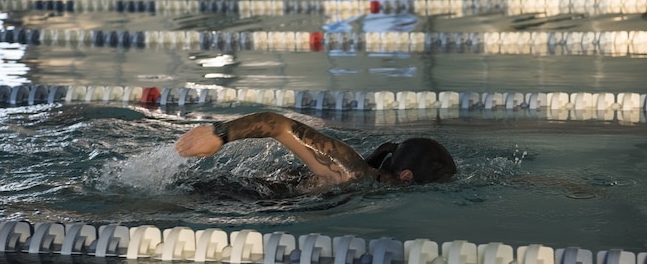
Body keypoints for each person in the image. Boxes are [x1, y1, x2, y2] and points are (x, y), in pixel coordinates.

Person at [175, 112, 457, 185]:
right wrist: (220, 134)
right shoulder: (353, 172)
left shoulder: (364, 178)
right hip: (227, 196)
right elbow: (278, 125)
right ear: (407, 176)